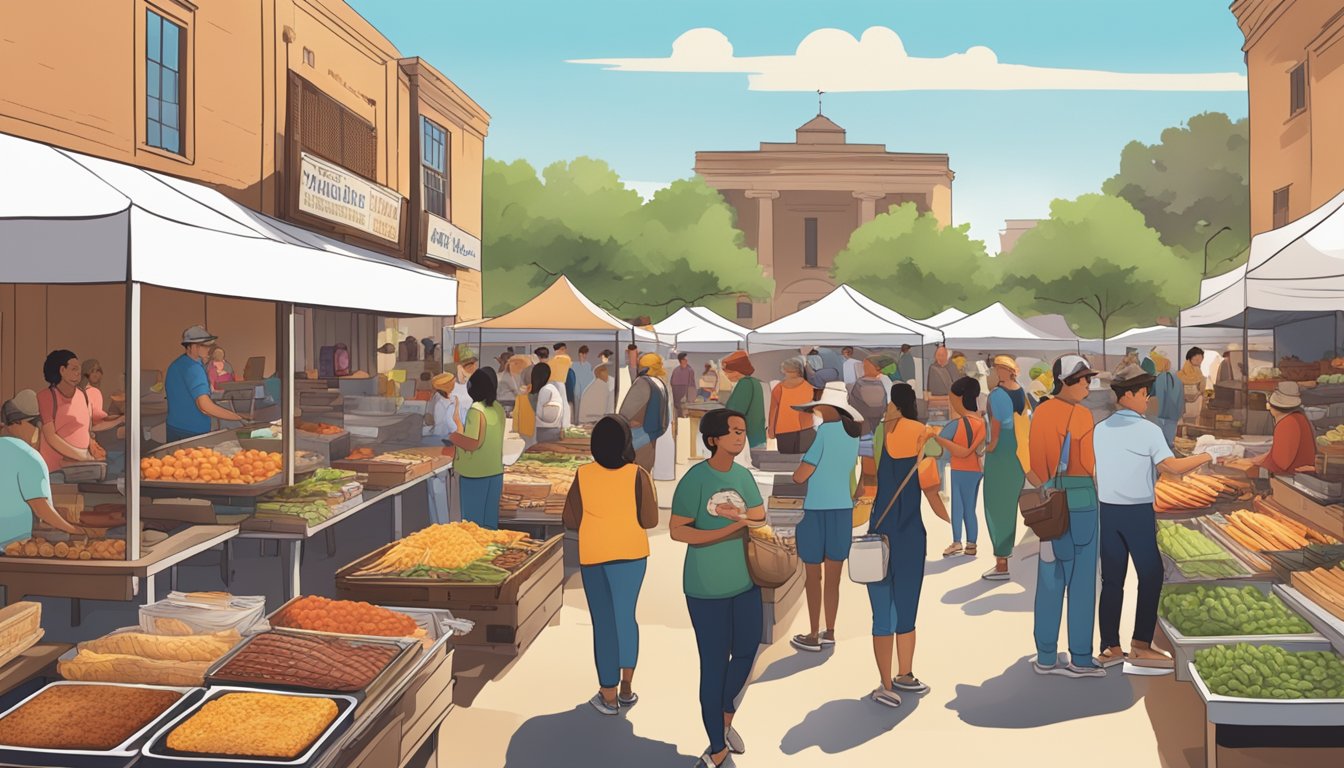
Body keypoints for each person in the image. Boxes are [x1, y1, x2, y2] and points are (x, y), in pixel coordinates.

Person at [1094, 364, 1214, 669]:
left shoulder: (1100, 429)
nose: (1148, 399)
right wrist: (1207, 455)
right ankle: (1140, 645)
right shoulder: (1148, 430)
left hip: (1108, 512)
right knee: (1151, 575)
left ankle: (1109, 648)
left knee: (1111, 580)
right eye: (1144, 393)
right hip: (1136, 512)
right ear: (1130, 394)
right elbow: (1171, 467)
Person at [670, 409, 765, 767]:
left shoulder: (743, 476)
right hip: (705, 586)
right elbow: (679, 529)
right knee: (712, 664)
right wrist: (729, 529)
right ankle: (716, 748)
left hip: (745, 580)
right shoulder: (696, 479)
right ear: (713, 439)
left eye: (743, 431)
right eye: (733, 432)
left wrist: (740, 519)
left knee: (746, 650)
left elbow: (759, 516)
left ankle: (724, 716)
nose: (740, 438)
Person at [563, 415, 659, 714]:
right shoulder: (637, 474)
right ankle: (628, 686)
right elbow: (651, 519)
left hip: (594, 555)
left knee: (603, 623)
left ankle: (608, 694)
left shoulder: (583, 474)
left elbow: (569, 519)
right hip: (632, 554)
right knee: (625, 617)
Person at [862, 383, 948, 707]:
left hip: (879, 532)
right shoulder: (921, 432)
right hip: (911, 533)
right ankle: (906, 674)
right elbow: (932, 473)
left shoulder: (879, 435)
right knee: (907, 608)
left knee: (881, 612)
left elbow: (870, 477)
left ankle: (885, 684)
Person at [1027, 354, 1104, 678]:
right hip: (1082, 500)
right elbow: (1088, 464)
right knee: (1082, 582)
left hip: (1050, 502)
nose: (1088, 384)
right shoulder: (1083, 416)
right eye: (1083, 378)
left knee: (1049, 577)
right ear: (1066, 381)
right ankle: (1081, 658)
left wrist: (1047, 485)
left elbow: (1033, 465)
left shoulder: (1041, 413)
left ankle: (1045, 656)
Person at [789, 383, 862, 653]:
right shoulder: (852, 435)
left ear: (828, 409)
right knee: (834, 578)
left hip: (816, 510)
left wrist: (797, 473)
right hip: (842, 510)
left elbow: (801, 474)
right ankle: (830, 632)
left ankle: (811, 633)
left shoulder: (824, 432)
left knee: (813, 576)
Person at [1, 391, 86, 546]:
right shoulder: (28, 456)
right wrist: (74, 530)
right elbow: (42, 509)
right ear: (18, 422)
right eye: (36, 424)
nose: (38, 430)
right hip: (12, 547)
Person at [982, 355, 1028, 581]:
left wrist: (990, 445)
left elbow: (997, 424)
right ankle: (1004, 558)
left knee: (996, 505)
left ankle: (1001, 563)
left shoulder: (998, 395)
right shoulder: (1022, 391)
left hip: (1002, 451)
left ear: (1005, 371)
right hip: (1019, 450)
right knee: (1010, 502)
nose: (995, 372)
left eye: (998, 369)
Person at [447, 369, 507, 530]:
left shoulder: (476, 410)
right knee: (490, 525)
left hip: (474, 474)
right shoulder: (498, 408)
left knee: (473, 526)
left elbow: (473, 443)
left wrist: (453, 437)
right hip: (495, 472)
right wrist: (459, 422)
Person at [934, 377, 986, 558]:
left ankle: (957, 541)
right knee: (970, 507)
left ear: (961, 398)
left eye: (952, 399)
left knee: (958, 507)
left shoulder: (957, 424)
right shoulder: (981, 423)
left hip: (960, 469)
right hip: (976, 470)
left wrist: (938, 439)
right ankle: (972, 544)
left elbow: (940, 441)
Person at [165, 326, 244, 442]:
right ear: (193, 346)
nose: (208, 349)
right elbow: (204, 406)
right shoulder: (194, 369)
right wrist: (237, 417)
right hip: (192, 431)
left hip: (174, 426)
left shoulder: (178, 364)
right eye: (205, 345)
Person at [37, 350, 103, 472]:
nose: (79, 373)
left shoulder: (83, 395)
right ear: (62, 370)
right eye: (74, 369)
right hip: (56, 470)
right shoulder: (46, 396)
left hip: (82, 468)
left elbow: (85, 428)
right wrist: (81, 456)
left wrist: (91, 444)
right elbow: (51, 436)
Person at [618, 354, 670, 472]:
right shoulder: (660, 383)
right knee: (645, 473)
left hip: (639, 437)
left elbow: (626, 412)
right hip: (654, 435)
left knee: (634, 473)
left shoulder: (643, 383)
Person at [1256, 381, 1317, 476]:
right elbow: (1274, 455)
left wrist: (1252, 465)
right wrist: (1251, 461)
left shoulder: (1288, 423)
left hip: (1294, 477)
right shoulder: (1297, 417)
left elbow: (1281, 464)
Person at [769, 357, 817, 454]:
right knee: (802, 459)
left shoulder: (779, 388)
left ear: (784, 370)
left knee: (787, 460)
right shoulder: (809, 387)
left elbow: (774, 411)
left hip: (784, 430)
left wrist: (771, 431)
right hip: (806, 429)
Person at [722, 352, 765, 453]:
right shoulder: (755, 382)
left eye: (728, 372)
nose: (726, 375)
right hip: (757, 437)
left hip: (746, 439)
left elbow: (735, 411)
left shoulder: (744, 383)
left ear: (737, 371)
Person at [78, 358, 123, 436]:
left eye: (97, 371)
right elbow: (97, 418)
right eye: (92, 371)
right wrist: (119, 419)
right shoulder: (93, 391)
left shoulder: (80, 390)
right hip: (97, 432)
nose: (95, 374)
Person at [1150, 350, 1182, 447]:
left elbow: (1152, 394)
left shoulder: (1157, 378)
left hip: (1160, 412)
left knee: (1160, 438)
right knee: (1169, 439)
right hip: (1173, 412)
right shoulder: (1177, 378)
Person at [532, 363, 565, 444]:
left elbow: (539, 413)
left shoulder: (545, 390)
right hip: (554, 428)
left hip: (545, 430)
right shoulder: (551, 388)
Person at [1179, 347, 1206, 424]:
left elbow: (1202, 389)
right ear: (1190, 358)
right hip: (1183, 404)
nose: (1199, 361)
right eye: (1197, 359)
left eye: (1201, 360)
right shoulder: (1180, 375)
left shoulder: (1199, 372)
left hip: (1195, 403)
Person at [548, 348, 574, 428]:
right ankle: (564, 424)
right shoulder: (565, 359)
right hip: (560, 381)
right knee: (563, 403)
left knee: (555, 403)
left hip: (552, 381)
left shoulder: (552, 361)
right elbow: (570, 363)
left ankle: (560, 424)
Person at [671, 353, 697, 418]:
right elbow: (672, 382)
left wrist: (692, 397)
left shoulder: (690, 370)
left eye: (686, 359)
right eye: (685, 359)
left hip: (686, 388)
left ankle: (682, 418)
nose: (686, 360)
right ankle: (679, 418)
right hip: (676, 388)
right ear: (681, 360)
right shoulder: (676, 370)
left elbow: (692, 384)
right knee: (677, 405)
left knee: (685, 406)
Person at [553, 343, 577, 408]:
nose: (564, 351)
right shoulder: (555, 363)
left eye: (564, 349)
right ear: (556, 351)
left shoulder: (569, 371)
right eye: (562, 349)